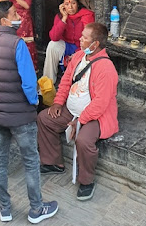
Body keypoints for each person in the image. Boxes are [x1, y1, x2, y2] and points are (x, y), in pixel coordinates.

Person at [0, 0, 59, 224]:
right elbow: (28, 82)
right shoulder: (17, 44)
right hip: (21, 116)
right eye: (14, 13)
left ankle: (4, 207)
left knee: (0, 160)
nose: (18, 16)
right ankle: (36, 209)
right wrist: (33, 103)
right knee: (31, 161)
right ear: (4, 20)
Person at [37, 22, 118, 202]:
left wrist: (80, 120)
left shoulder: (106, 68)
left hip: (94, 117)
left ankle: (86, 181)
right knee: (45, 118)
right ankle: (53, 162)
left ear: (95, 44)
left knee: (83, 140)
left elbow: (101, 103)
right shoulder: (79, 56)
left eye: (84, 38)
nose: (80, 39)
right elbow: (66, 80)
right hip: (72, 109)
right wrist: (58, 102)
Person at [42, 0, 95, 83]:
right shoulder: (60, 16)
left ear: (78, 4)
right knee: (52, 45)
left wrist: (77, 53)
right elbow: (54, 37)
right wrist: (64, 18)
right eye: (67, 4)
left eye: (73, 3)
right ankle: (48, 82)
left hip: (81, 47)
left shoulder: (86, 15)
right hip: (66, 46)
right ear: (62, 6)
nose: (70, 7)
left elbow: (89, 38)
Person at [0, 0, 38, 71]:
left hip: (24, 21)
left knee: (25, 44)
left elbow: (27, 5)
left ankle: (28, 69)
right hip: (11, 17)